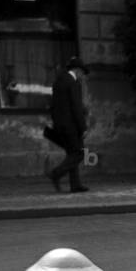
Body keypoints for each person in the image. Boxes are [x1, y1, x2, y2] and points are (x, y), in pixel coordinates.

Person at [46, 56, 90, 193]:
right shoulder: (73, 83)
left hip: (60, 125)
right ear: (77, 70)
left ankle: (75, 185)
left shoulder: (59, 81)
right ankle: (56, 174)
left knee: (72, 153)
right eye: (82, 73)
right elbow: (76, 107)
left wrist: (56, 123)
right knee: (79, 153)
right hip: (71, 125)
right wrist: (83, 127)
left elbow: (54, 106)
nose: (82, 76)